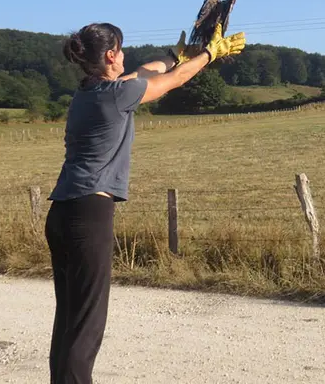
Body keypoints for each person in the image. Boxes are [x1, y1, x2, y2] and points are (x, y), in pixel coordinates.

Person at [44, 21, 245, 383]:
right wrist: (209, 54)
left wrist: (173, 55)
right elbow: (175, 80)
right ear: (109, 56)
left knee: (70, 318)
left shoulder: (89, 92)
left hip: (62, 213)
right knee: (88, 323)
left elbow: (147, 71)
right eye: (119, 50)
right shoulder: (117, 95)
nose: (124, 56)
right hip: (89, 216)